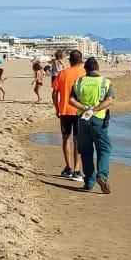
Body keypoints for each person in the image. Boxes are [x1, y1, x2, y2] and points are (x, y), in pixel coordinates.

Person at [69, 57, 114, 193]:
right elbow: (109, 101)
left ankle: (89, 181)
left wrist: (84, 107)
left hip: (82, 119)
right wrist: (96, 109)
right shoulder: (105, 82)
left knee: (86, 151)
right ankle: (102, 175)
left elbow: (71, 100)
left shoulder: (79, 81)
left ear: (86, 69)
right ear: (97, 69)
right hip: (99, 120)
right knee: (104, 149)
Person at [51, 49, 86, 180]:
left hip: (65, 110)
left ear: (70, 60)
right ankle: (77, 169)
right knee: (78, 140)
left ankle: (68, 167)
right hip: (80, 110)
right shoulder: (85, 73)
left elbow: (54, 94)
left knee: (66, 139)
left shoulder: (63, 73)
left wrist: (57, 108)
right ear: (81, 61)